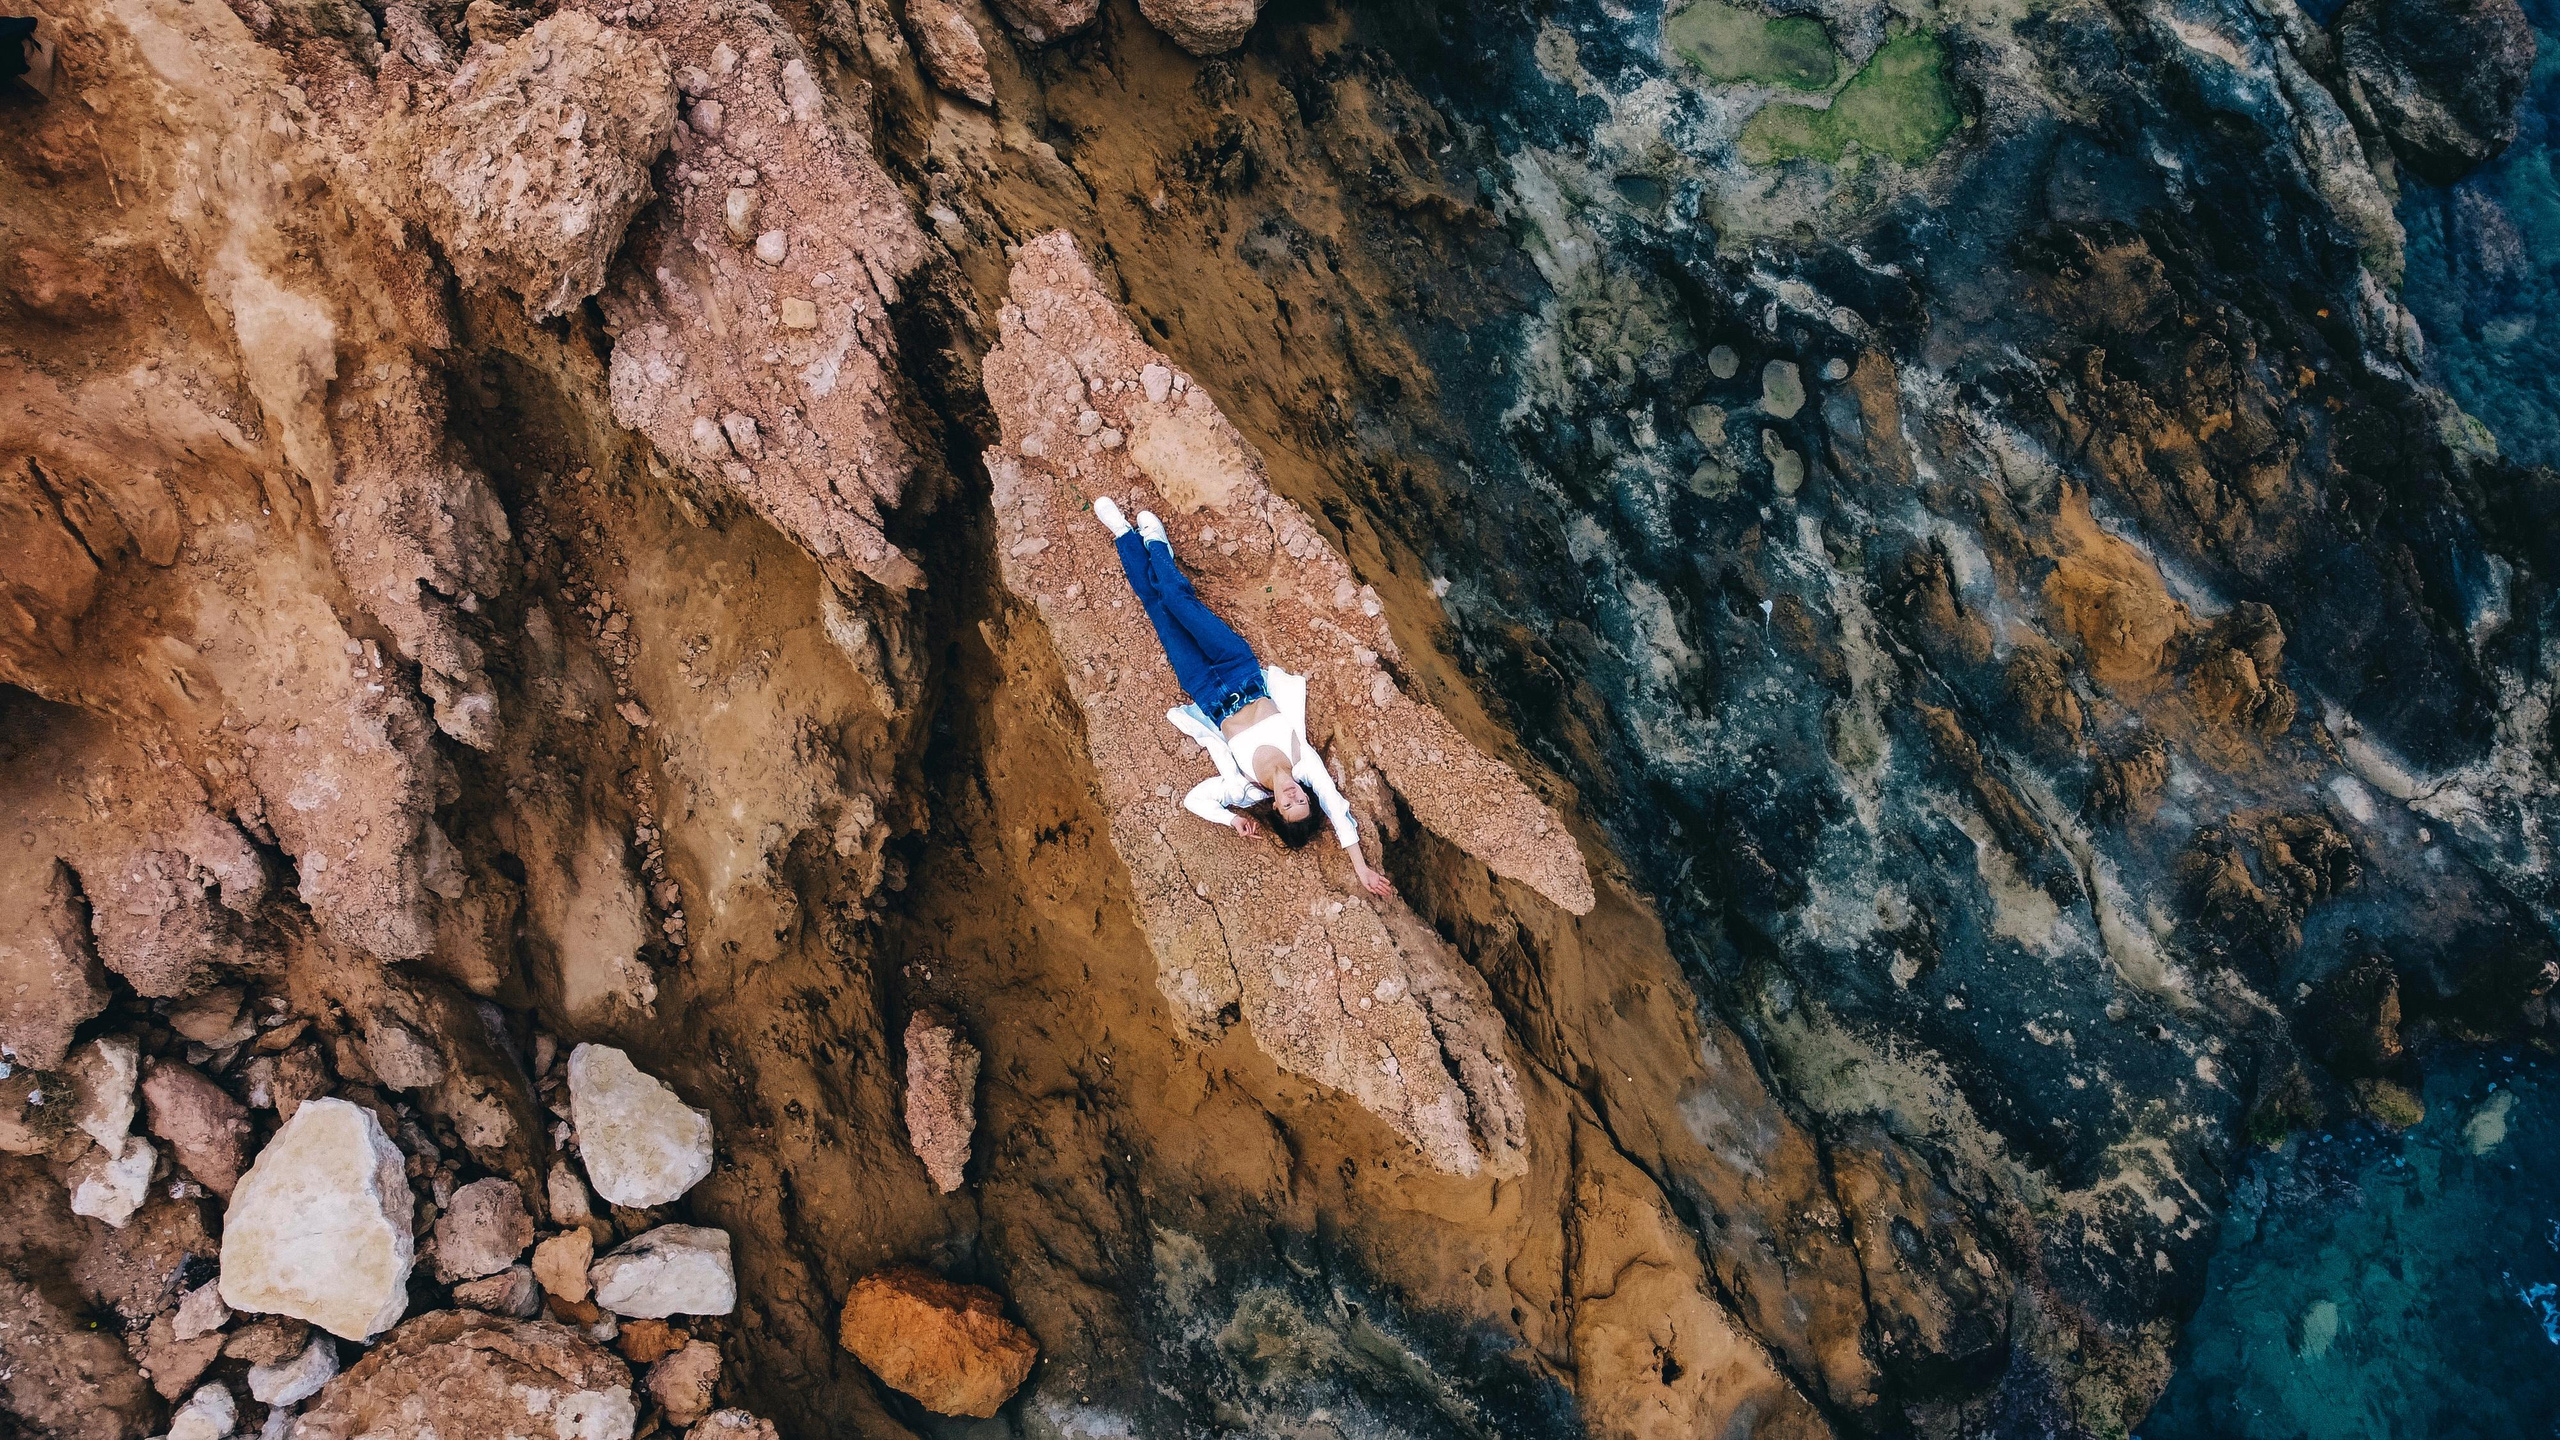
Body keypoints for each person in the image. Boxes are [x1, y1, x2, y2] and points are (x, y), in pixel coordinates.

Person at [1095, 495, 1394, 899]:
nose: (1294, 796)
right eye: (1302, 800)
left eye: (1289, 806)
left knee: (1158, 611)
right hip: (1238, 666)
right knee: (1179, 601)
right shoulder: (1306, 764)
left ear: (1275, 809)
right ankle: (1156, 542)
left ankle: (1124, 535)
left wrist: (1230, 820)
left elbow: (1194, 800)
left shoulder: (1244, 789)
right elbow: (1339, 813)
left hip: (1203, 687)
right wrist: (1362, 869)